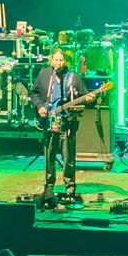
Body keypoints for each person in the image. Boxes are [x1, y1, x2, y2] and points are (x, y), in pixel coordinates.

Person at [32, 50, 88, 202]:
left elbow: (84, 95)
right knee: (49, 156)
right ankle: (49, 187)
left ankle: (70, 188)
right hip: (49, 121)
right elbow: (34, 94)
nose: (58, 63)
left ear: (65, 61)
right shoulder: (44, 74)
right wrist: (40, 107)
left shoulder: (74, 77)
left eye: (61, 60)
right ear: (51, 61)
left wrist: (90, 99)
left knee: (68, 157)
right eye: (56, 60)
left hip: (67, 122)